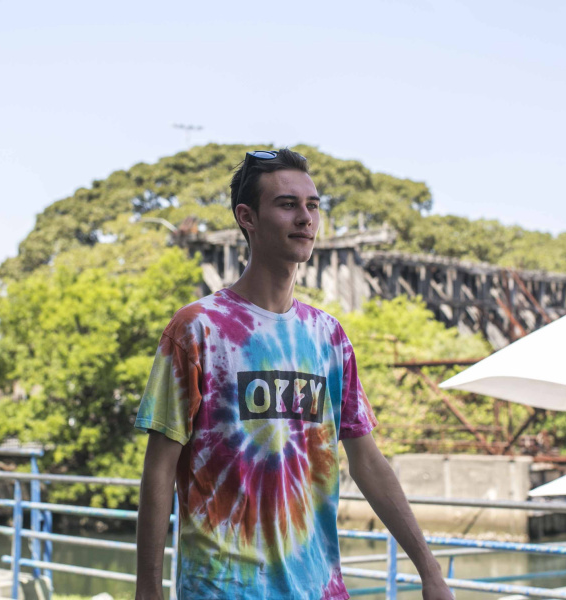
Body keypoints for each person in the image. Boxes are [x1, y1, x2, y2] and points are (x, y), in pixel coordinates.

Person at [134, 149, 453, 600]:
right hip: (226, 590)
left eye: (313, 205)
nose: (305, 218)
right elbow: (160, 467)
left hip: (321, 589)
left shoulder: (328, 336)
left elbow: (366, 461)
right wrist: (147, 591)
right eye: (287, 204)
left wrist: (430, 572)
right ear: (247, 217)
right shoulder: (197, 329)